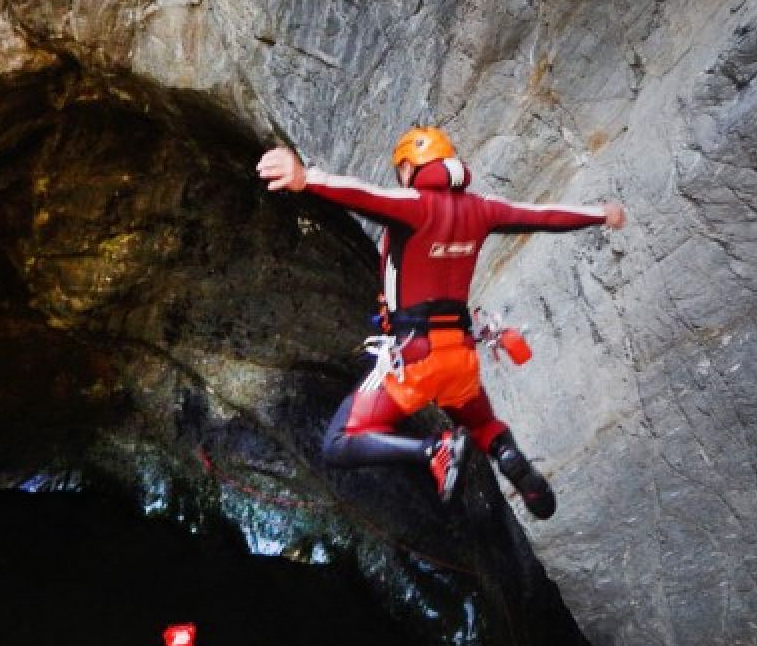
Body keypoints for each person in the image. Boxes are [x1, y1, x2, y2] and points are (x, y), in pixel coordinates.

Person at [256, 127, 626, 518]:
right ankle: (508, 454)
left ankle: (434, 450)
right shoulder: (482, 209)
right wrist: (601, 213)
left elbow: (361, 194)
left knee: (338, 442)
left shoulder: (414, 205)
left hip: (414, 358)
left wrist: (306, 178)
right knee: (484, 425)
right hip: (460, 358)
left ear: (407, 166)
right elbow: (541, 215)